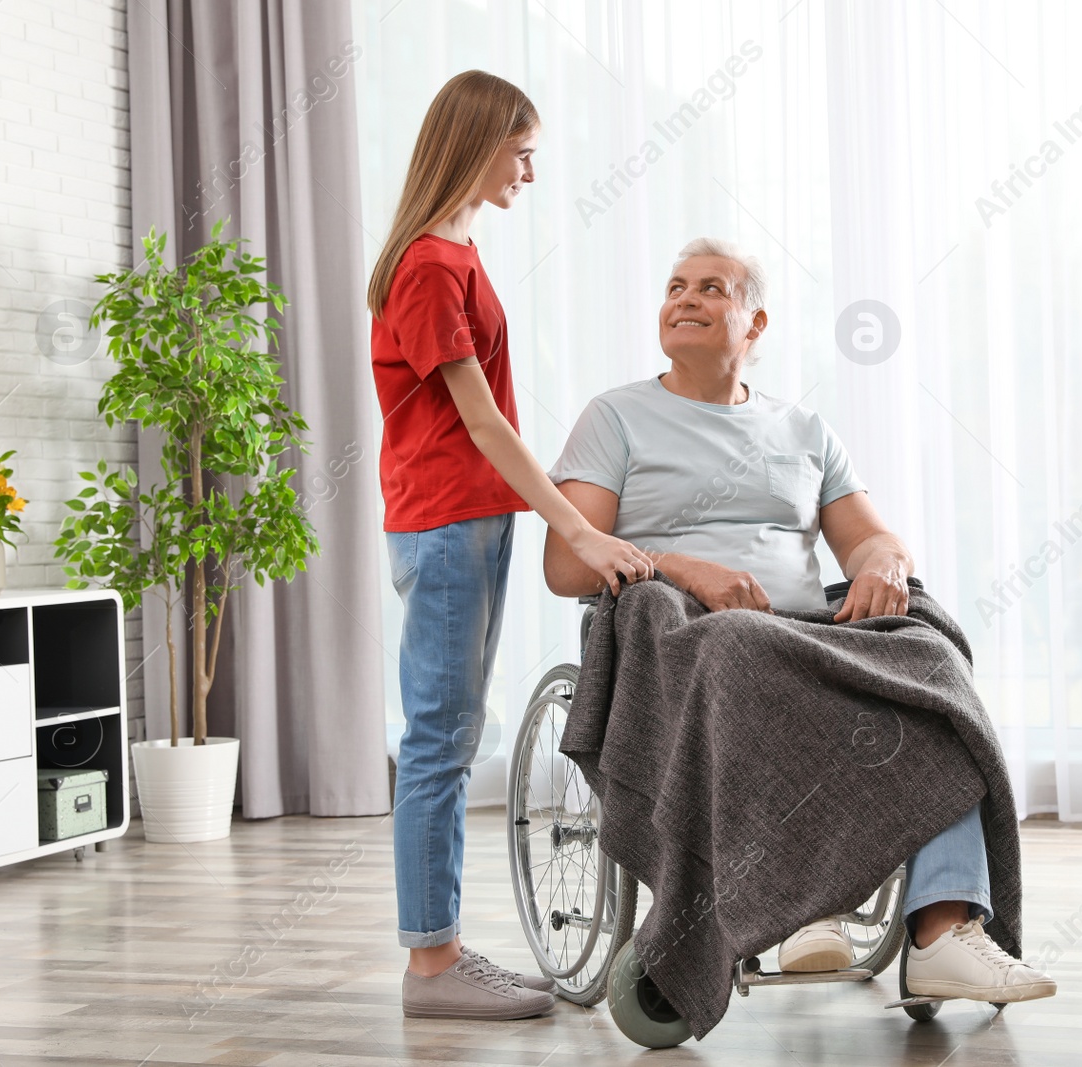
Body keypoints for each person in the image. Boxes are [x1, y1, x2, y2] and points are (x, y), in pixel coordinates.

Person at [542, 237, 1058, 1006]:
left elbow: (869, 537)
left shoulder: (804, 429)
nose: (685, 298)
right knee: (740, 646)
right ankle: (799, 906)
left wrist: (883, 562)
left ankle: (944, 930)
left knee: (932, 652)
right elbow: (567, 565)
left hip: (803, 630)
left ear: (754, 325)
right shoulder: (616, 416)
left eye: (711, 288)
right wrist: (684, 566)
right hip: (680, 629)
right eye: (675, 286)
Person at [368, 70, 656, 1022]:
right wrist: (575, 525)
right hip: (447, 524)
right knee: (438, 745)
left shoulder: (456, 251)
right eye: (521, 149)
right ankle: (432, 966)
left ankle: (440, 952)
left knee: (449, 737)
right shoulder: (428, 267)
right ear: (478, 141)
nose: (532, 168)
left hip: (466, 522)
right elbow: (484, 424)